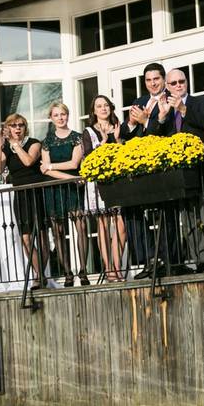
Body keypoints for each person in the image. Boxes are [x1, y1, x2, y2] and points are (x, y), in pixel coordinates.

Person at [149, 67, 204, 274]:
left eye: (182, 81)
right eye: (174, 83)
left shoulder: (201, 102)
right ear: (167, 87)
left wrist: (183, 109)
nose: (179, 85)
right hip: (179, 174)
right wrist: (161, 117)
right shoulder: (164, 106)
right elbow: (152, 135)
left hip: (202, 168)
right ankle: (198, 259)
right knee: (188, 219)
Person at [119, 62, 166, 277]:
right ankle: (147, 259)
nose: (152, 83)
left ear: (163, 79)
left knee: (166, 212)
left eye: (156, 79)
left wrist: (146, 120)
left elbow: (164, 130)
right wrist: (130, 121)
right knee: (130, 210)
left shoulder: (170, 99)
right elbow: (125, 133)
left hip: (162, 166)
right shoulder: (139, 102)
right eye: (148, 80)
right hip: (138, 168)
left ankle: (168, 259)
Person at [0, 113, 48, 287]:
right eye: (13, 125)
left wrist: (15, 145)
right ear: (7, 128)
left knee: (41, 235)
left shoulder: (34, 143)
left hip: (36, 192)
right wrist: (0, 147)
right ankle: (39, 274)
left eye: (21, 125)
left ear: (25, 127)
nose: (17, 128)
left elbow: (28, 161)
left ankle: (40, 275)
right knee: (25, 237)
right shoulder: (7, 148)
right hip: (20, 194)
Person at [40, 102, 89, 288]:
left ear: (67, 116)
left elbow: (74, 163)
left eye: (63, 114)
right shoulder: (47, 142)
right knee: (58, 231)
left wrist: (52, 166)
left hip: (74, 188)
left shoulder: (77, 137)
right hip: (55, 188)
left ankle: (83, 271)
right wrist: (69, 178)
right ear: (51, 118)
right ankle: (67, 273)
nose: (60, 118)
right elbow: (46, 171)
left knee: (81, 226)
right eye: (56, 115)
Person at [81, 94, 126, 282]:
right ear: (94, 110)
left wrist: (116, 140)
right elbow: (89, 157)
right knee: (103, 226)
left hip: (117, 180)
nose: (103, 108)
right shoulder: (88, 131)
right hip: (98, 182)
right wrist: (105, 141)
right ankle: (108, 270)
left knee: (121, 226)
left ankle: (118, 268)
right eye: (99, 106)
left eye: (106, 105)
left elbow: (124, 152)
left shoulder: (118, 127)